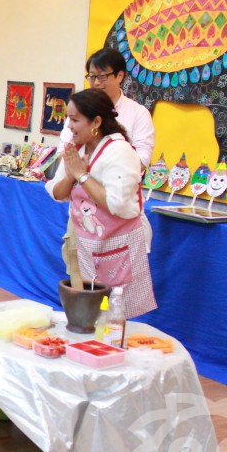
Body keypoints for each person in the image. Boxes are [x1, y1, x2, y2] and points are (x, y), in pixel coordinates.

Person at [46, 88, 157, 318]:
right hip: (88, 245)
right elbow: (57, 192)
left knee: (113, 314)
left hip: (117, 245)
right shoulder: (76, 149)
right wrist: (71, 175)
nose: (69, 126)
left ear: (96, 122)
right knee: (87, 310)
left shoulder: (120, 151)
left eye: (75, 120)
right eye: (68, 119)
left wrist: (82, 176)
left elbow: (115, 204)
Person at [57, 48, 155, 169]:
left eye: (102, 76)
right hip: (77, 178)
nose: (96, 82)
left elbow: (142, 160)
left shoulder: (139, 113)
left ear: (120, 76)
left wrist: (95, 171)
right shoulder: (79, 110)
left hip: (118, 179)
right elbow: (62, 152)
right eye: (92, 76)